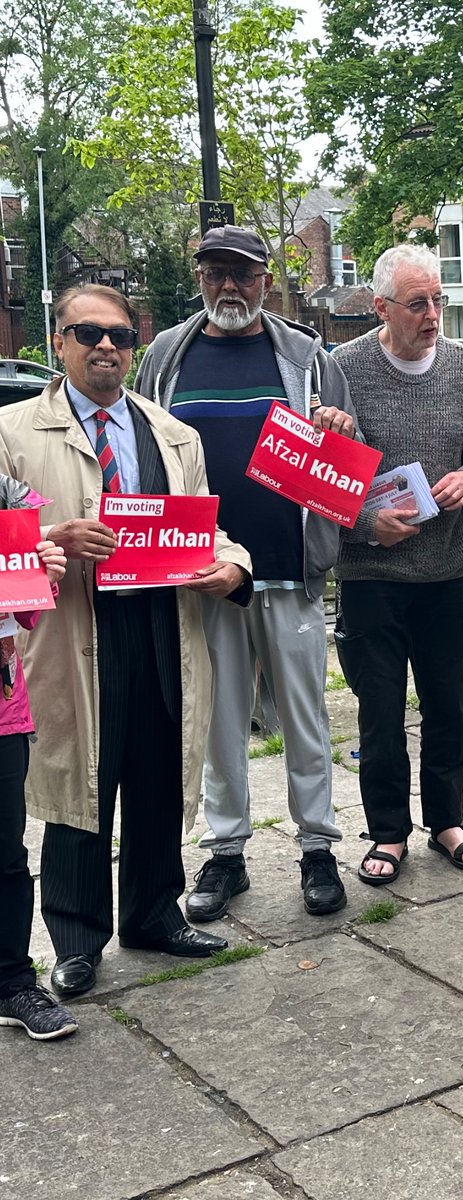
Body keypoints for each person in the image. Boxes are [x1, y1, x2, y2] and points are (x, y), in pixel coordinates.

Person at [0, 285, 254, 1000]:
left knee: (157, 773)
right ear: (59, 342)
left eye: (121, 335)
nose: (106, 346)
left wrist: (233, 565)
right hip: (74, 632)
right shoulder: (13, 433)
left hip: (162, 626)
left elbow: (203, 529)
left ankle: (153, 915)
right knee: (81, 782)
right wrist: (50, 537)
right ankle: (78, 940)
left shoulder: (172, 434)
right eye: (88, 333)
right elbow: (3, 541)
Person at [137, 225, 355, 922]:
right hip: (203, 571)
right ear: (199, 276)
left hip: (289, 568)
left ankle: (317, 848)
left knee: (305, 718)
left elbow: (346, 452)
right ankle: (226, 852)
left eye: (243, 273)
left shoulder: (307, 356)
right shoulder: (167, 356)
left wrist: (339, 427)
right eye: (216, 272)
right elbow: (144, 448)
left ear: (266, 279)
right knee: (218, 720)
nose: (229, 286)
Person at [333, 245, 463, 882]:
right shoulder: (343, 369)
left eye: (438, 302)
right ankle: (388, 832)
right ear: (381, 307)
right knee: (379, 712)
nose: (432, 316)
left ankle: (447, 820)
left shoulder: (462, 366)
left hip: (445, 573)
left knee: (447, 704)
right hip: (370, 577)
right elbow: (317, 476)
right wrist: (364, 523)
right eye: (417, 303)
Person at [0, 504, 73, 1038]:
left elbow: (24, 615)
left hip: (3, 715)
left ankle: (12, 982)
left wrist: (40, 573)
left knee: (6, 855)